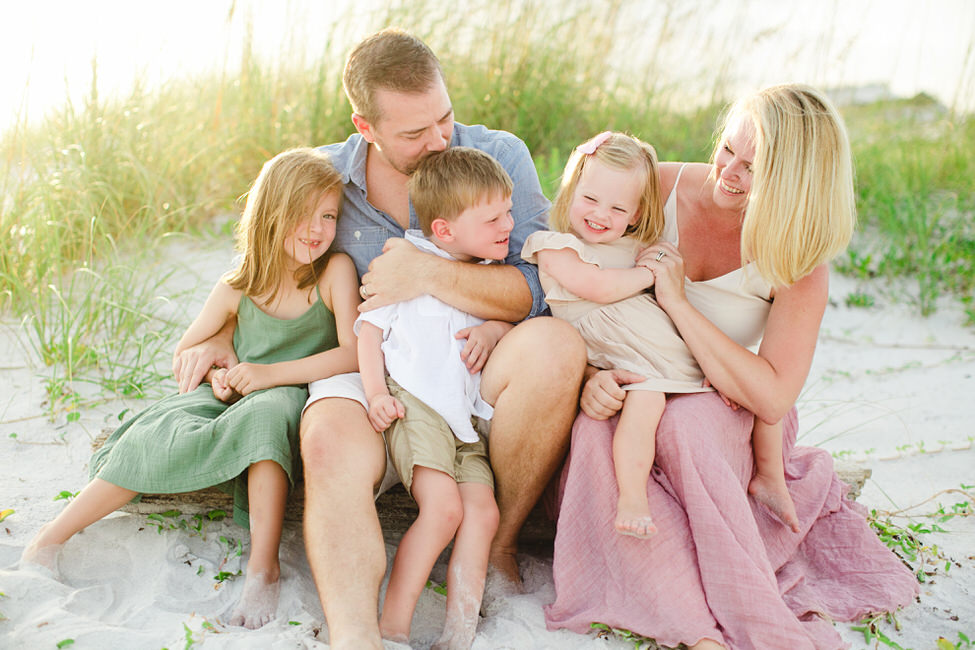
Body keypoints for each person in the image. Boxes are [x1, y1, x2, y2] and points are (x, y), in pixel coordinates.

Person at [172, 28, 585, 649]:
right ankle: (358, 636)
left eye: (443, 118)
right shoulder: (325, 176)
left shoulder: (498, 154)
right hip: (372, 362)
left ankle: (498, 545)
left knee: (557, 348)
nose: (439, 140)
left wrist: (428, 274)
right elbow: (272, 262)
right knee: (329, 437)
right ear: (364, 126)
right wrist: (221, 330)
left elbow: (540, 283)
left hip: (477, 358)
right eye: (414, 133)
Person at [544, 85, 919, 649]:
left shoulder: (798, 258)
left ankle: (740, 606)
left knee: (685, 427)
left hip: (732, 404)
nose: (729, 174)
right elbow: (572, 263)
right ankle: (692, 625)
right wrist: (587, 379)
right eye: (727, 151)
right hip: (637, 374)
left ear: (794, 185)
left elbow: (772, 396)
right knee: (601, 431)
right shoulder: (659, 188)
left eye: (754, 169)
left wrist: (675, 300)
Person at [21, 148, 361, 629]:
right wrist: (217, 372)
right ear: (270, 214)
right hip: (236, 391)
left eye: (328, 215)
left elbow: (352, 353)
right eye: (302, 214)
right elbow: (188, 351)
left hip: (294, 393)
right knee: (162, 424)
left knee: (265, 418)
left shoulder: (333, 273)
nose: (317, 228)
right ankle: (50, 538)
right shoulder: (240, 283)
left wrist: (267, 375)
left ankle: (263, 567)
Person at [522, 131, 798, 538]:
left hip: (653, 340)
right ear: (570, 191)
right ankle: (632, 496)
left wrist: (657, 266)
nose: (601, 214)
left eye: (618, 208)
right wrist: (651, 272)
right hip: (622, 352)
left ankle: (771, 475)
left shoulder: (633, 244)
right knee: (645, 402)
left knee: (750, 389)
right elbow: (599, 288)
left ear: (635, 215)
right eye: (591, 199)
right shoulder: (552, 245)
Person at [359, 147, 514, 649]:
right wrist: (376, 392)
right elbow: (368, 330)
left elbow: (513, 318)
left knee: (483, 513)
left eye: (508, 211)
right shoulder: (405, 262)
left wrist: (493, 327)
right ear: (444, 230)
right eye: (493, 217)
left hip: (465, 420)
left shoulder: (490, 275)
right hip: (417, 404)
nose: (508, 225)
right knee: (444, 508)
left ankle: (458, 632)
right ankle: (394, 627)